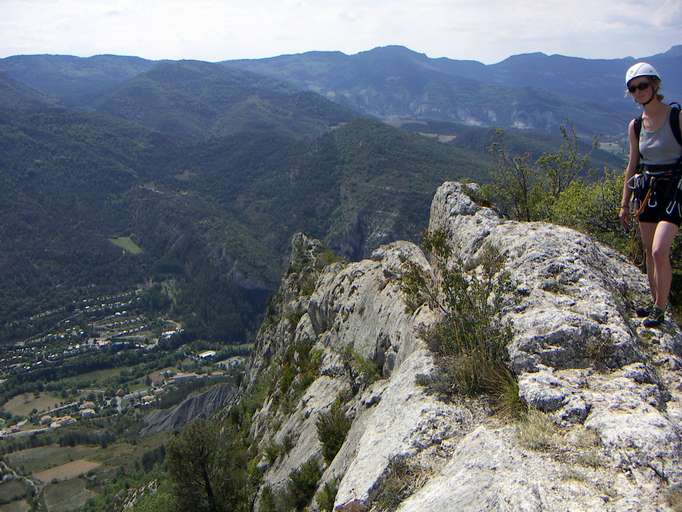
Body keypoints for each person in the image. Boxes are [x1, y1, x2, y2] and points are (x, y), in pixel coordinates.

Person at [619, 62, 682, 327]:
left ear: (654, 85)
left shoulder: (676, 117)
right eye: (633, 88)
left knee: (659, 250)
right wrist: (624, 203)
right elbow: (633, 164)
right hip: (647, 190)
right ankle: (655, 300)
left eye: (642, 85)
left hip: (675, 189)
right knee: (648, 251)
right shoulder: (636, 126)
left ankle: (660, 308)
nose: (638, 91)